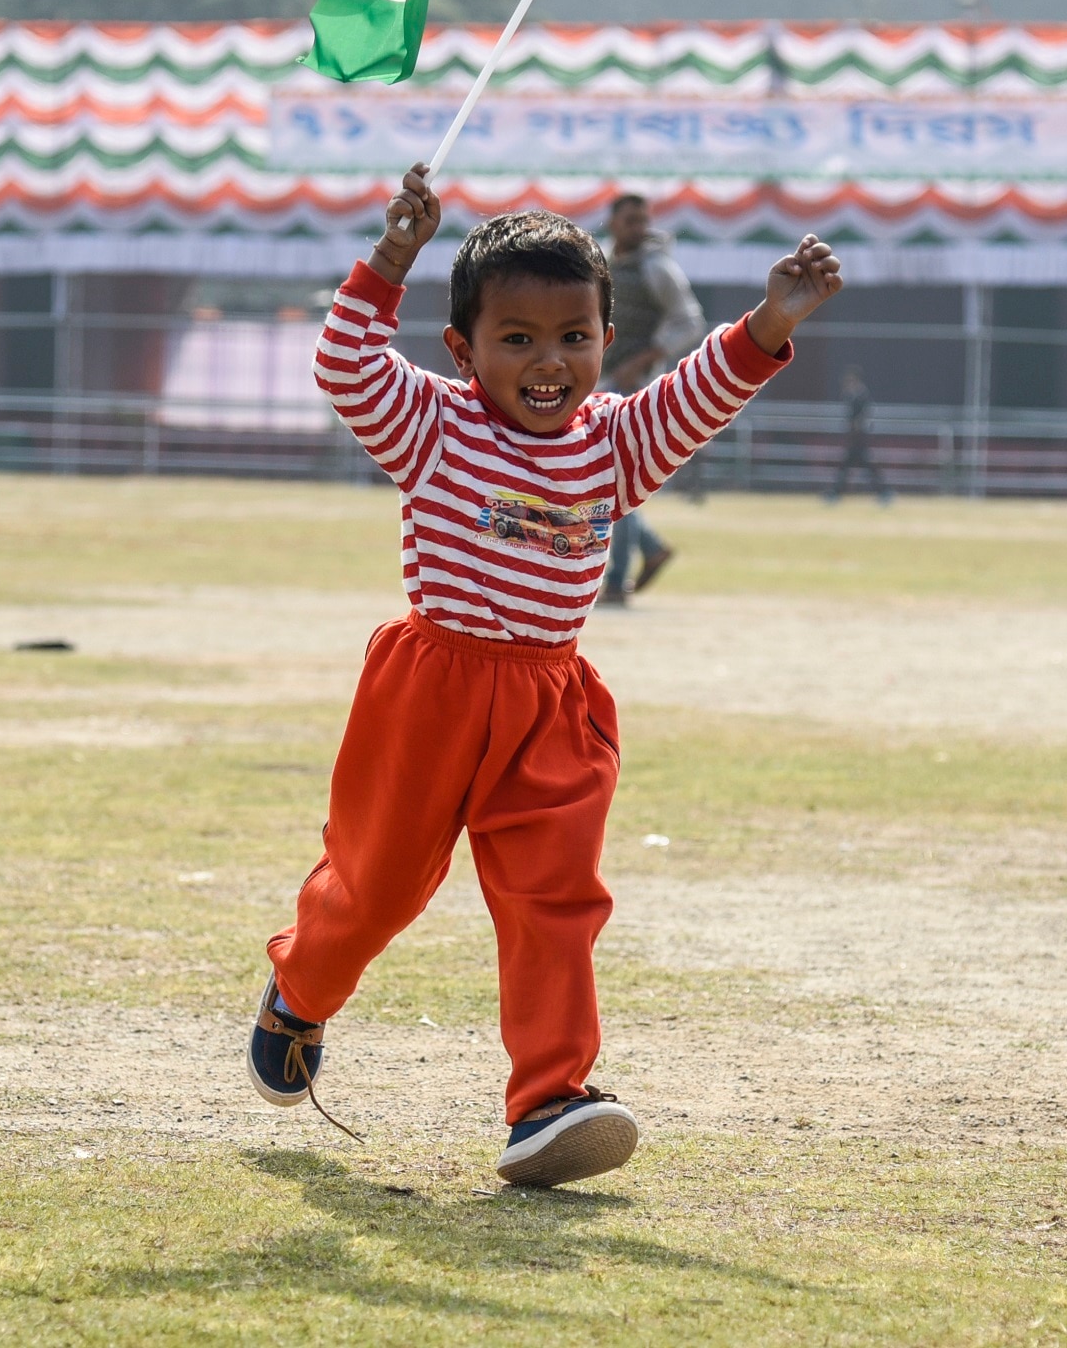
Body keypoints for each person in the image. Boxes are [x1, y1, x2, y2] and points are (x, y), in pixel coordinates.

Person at [247, 163, 842, 1188]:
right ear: (463, 348)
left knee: (554, 902)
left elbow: (694, 398)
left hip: (552, 704)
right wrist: (392, 259)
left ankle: (549, 1101)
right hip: (429, 689)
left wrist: (767, 324)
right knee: (378, 884)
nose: (547, 361)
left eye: (573, 336)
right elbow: (346, 368)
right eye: (515, 339)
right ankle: (301, 988)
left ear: (606, 342)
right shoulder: (432, 424)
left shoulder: (613, 443)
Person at [599, 192, 706, 604]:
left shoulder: (658, 268)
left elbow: (690, 322)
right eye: (630, 220)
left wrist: (647, 356)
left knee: (614, 478)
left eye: (643, 221)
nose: (638, 228)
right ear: (613, 223)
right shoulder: (603, 262)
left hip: (635, 383)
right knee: (605, 479)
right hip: (602, 380)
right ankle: (650, 546)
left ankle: (617, 580)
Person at [827, 365, 892, 503]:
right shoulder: (852, 395)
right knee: (857, 466)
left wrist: (854, 430)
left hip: (859, 439)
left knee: (853, 466)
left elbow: (859, 418)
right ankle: (883, 491)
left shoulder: (860, 395)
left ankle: (835, 493)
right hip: (856, 440)